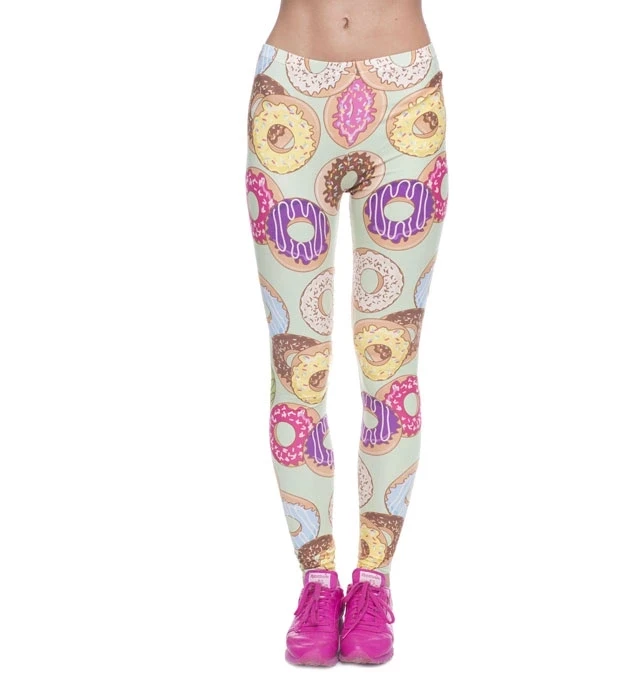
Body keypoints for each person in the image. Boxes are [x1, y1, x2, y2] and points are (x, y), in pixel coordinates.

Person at [245, 0, 448, 665]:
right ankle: (316, 582)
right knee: (296, 360)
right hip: (290, 93)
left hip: (406, 98)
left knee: (391, 359)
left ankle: (372, 585)